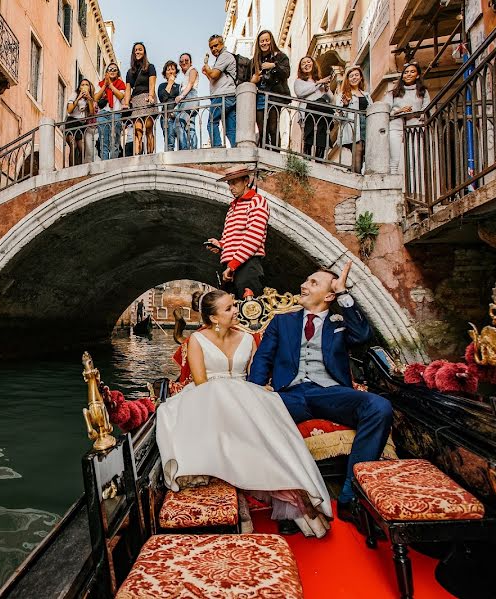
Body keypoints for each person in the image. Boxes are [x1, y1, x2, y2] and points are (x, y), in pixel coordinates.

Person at [156, 290, 332, 538]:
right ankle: (247, 502)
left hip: (244, 395)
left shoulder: (248, 339)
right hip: (207, 399)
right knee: (220, 403)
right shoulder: (197, 340)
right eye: (229, 308)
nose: (236, 311)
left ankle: (292, 496)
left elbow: (255, 376)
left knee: (267, 421)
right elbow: (201, 383)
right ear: (214, 318)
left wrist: (261, 389)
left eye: (234, 305)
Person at [247, 261, 393, 527]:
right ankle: (289, 502)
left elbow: (363, 336)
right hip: (289, 395)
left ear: (329, 296)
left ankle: (351, 497)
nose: (303, 285)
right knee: (254, 417)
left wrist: (344, 293)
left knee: (380, 407)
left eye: (313, 283)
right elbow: (262, 361)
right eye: (306, 280)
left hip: (331, 393)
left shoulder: (339, 323)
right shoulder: (282, 322)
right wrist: (254, 395)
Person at [205, 166, 268, 298]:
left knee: (249, 313)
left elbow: (254, 238)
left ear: (246, 181)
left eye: (234, 183)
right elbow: (232, 238)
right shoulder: (232, 208)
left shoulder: (257, 201)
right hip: (231, 268)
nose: (231, 187)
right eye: (229, 183)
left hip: (247, 267)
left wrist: (233, 265)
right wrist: (221, 245)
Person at [384, 61, 429, 175]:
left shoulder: (423, 92)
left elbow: (426, 109)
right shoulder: (393, 93)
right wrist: (400, 111)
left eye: (412, 72)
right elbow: (385, 112)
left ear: (417, 75)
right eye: (406, 72)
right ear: (402, 76)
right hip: (395, 126)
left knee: (414, 159)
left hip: (415, 126)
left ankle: (412, 190)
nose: (408, 74)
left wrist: (419, 117)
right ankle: (393, 188)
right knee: (395, 159)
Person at [251, 30, 291, 149]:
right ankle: (264, 153)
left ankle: (275, 154)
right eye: (262, 41)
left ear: (271, 40)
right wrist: (254, 79)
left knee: (273, 128)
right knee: (262, 129)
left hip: (273, 96)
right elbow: (249, 79)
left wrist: (273, 65)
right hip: (259, 98)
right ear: (258, 44)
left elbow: (286, 73)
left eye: (267, 40)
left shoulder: (280, 56)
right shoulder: (254, 61)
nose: (264, 43)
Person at [202, 34, 238, 148]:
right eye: (211, 47)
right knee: (230, 128)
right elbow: (214, 79)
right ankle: (236, 149)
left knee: (211, 123)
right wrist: (208, 73)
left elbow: (214, 74)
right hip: (229, 95)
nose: (213, 49)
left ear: (222, 44)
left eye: (216, 45)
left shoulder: (224, 56)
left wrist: (208, 70)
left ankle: (217, 147)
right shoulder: (221, 58)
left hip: (222, 96)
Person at [293, 56, 333, 159]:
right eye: (303, 64)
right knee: (309, 137)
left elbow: (332, 99)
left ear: (313, 64)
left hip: (321, 112)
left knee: (322, 138)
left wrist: (327, 89)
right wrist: (318, 84)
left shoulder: (319, 81)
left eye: (308, 62)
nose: (306, 64)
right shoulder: (299, 81)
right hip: (308, 113)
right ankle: (307, 161)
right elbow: (300, 92)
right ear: (300, 68)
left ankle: (319, 160)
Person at [123, 42, 157, 155]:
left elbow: (152, 83)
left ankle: (150, 155)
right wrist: (126, 104)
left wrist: (151, 96)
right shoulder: (130, 72)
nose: (137, 52)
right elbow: (128, 89)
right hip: (136, 100)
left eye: (140, 49)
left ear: (144, 52)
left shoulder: (150, 67)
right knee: (137, 131)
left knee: (148, 129)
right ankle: (137, 156)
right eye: (135, 50)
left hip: (147, 97)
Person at [337, 65, 369, 173]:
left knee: (365, 152)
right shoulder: (343, 94)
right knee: (358, 150)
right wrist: (345, 105)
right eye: (351, 76)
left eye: (356, 75)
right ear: (348, 79)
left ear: (360, 78)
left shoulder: (366, 95)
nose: (354, 78)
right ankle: (356, 177)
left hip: (366, 125)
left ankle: (353, 172)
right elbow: (338, 116)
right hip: (354, 126)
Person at [94, 62, 126, 160]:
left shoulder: (120, 84)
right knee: (103, 140)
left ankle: (113, 162)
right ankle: (104, 162)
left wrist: (111, 86)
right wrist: (105, 85)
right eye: (110, 69)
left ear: (118, 73)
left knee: (114, 140)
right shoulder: (100, 84)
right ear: (106, 72)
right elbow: (95, 97)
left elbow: (121, 96)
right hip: (103, 113)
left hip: (115, 113)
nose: (112, 71)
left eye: (114, 69)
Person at [65, 79, 96, 166]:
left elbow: (91, 113)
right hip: (72, 122)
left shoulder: (90, 99)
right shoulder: (74, 95)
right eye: (82, 85)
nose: (84, 86)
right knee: (73, 145)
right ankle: (71, 168)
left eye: (86, 85)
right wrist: (78, 98)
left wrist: (89, 99)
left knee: (82, 149)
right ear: (79, 87)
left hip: (81, 124)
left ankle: (79, 167)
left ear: (89, 88)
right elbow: (69, 110)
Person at [175, 53, 199, 150]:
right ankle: (193, 149)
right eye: (181, 61)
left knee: (179, 122)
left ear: (190, 62)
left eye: (186, 60)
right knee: (190, 125)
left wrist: (181, 96)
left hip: (190, 97)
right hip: (187, 99)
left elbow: (191, 84)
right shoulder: (185, 76)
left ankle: (184, 149)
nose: (184, 62)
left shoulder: (192, 70)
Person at [157, 60, 181, 151]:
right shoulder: (162, 86)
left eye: (173, 69)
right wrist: (170, 83)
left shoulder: (179, 86)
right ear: (165, 73)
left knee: (182, 140)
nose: (171, 71)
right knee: (169, 143)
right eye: (168, 70)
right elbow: (163, 98)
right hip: (166, 117)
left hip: (178, 116)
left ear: (176, 72)